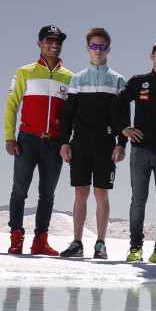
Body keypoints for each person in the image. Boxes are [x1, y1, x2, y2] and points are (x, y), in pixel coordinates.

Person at [3, 25, 75, 255]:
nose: (54, 44)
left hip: (54, 143)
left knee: (47, 193)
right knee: (20, 190)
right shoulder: (25, 72)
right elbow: (12, 106)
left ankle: (40, 242)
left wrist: (68, 142)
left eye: (58, 41)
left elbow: (72, 115)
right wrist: (9, 137)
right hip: (27, 140)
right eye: (49, 40)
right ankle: (16, 238)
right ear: (40, 44)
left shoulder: (70, 78)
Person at [56, 28, 127, 260]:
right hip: (80, 144)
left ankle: (100, 244)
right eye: (94, 46)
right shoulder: (77, 79)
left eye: (102, 46)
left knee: (101, 193)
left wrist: (122, 143)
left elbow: (123, 116)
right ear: (88, 48)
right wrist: (64, 142)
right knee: (80, 192)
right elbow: (67, 115)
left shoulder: (118, 80)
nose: (98, 50)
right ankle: (77, 243)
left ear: (108, 49)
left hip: (107, 144)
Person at [112, 39, 156, 262]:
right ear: (151, 56)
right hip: (140, 151)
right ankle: (135, 248)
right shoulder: (138, 81)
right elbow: (117, 105)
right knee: (138, 201)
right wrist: (123, 129)